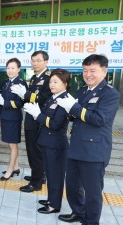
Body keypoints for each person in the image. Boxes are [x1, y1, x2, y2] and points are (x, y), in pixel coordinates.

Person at [57, 54, 120, 224]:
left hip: (94, 151)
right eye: (85, 70)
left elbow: (100, 119)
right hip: (76, 147)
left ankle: (91, 221)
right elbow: (76, 116)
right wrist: (69, 111)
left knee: (92, 192)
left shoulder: (110, 94)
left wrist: (75, 108)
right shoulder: (83, 90)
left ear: (104, 71)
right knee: (72, 186)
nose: (88, 74)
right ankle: (78, 211)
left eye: (93, 70)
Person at [24, 69, 70, 214]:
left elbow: (56, 124)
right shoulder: (53, 97)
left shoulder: (65, 99)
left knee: (55, 175)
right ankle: (51, 199)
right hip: (47, 141)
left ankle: (54, 205)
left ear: (65, 83)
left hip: (55, 144)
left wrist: (38, 115)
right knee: (50, 174)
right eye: (50, 82)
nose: (51, 85)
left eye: (56, 82)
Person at [11, 50, 52, 192]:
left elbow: (45, 99)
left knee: (35, 153)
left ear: (46, 62)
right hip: (30, 118)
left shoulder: (49, 78)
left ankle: (36, 183)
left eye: (38, 60)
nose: (34, 63)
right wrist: (24, 95)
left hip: (38, 120)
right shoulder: (34, 77)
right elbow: (30, 97)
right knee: (33, 151)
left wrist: (26, 94)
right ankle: (39, 176)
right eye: (33, 60)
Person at [0, 58, 27, 180]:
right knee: (10, 144)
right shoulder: (6, 82)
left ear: (18, 69)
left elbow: (20, 103)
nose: (10, 71)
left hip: (13, 118)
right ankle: (16, 167)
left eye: (13, 68)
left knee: (13, 145)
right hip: (4, 116)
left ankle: (10, 170)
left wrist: (4, 102)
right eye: (8, 68)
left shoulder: (21, 83)